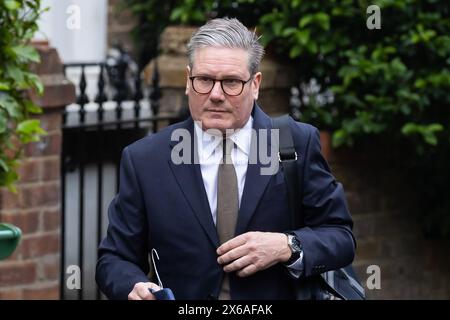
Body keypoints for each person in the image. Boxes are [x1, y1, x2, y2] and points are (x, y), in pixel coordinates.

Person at [96, 17, 355, 300]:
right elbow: (114, 258)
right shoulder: (144, 159)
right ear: (187, 81)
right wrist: (132, 287)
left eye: (231, 82)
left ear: (255, 85)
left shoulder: (295, 142)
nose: (216, 95)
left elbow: (340, 237)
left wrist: (287, 245)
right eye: (204, 80)